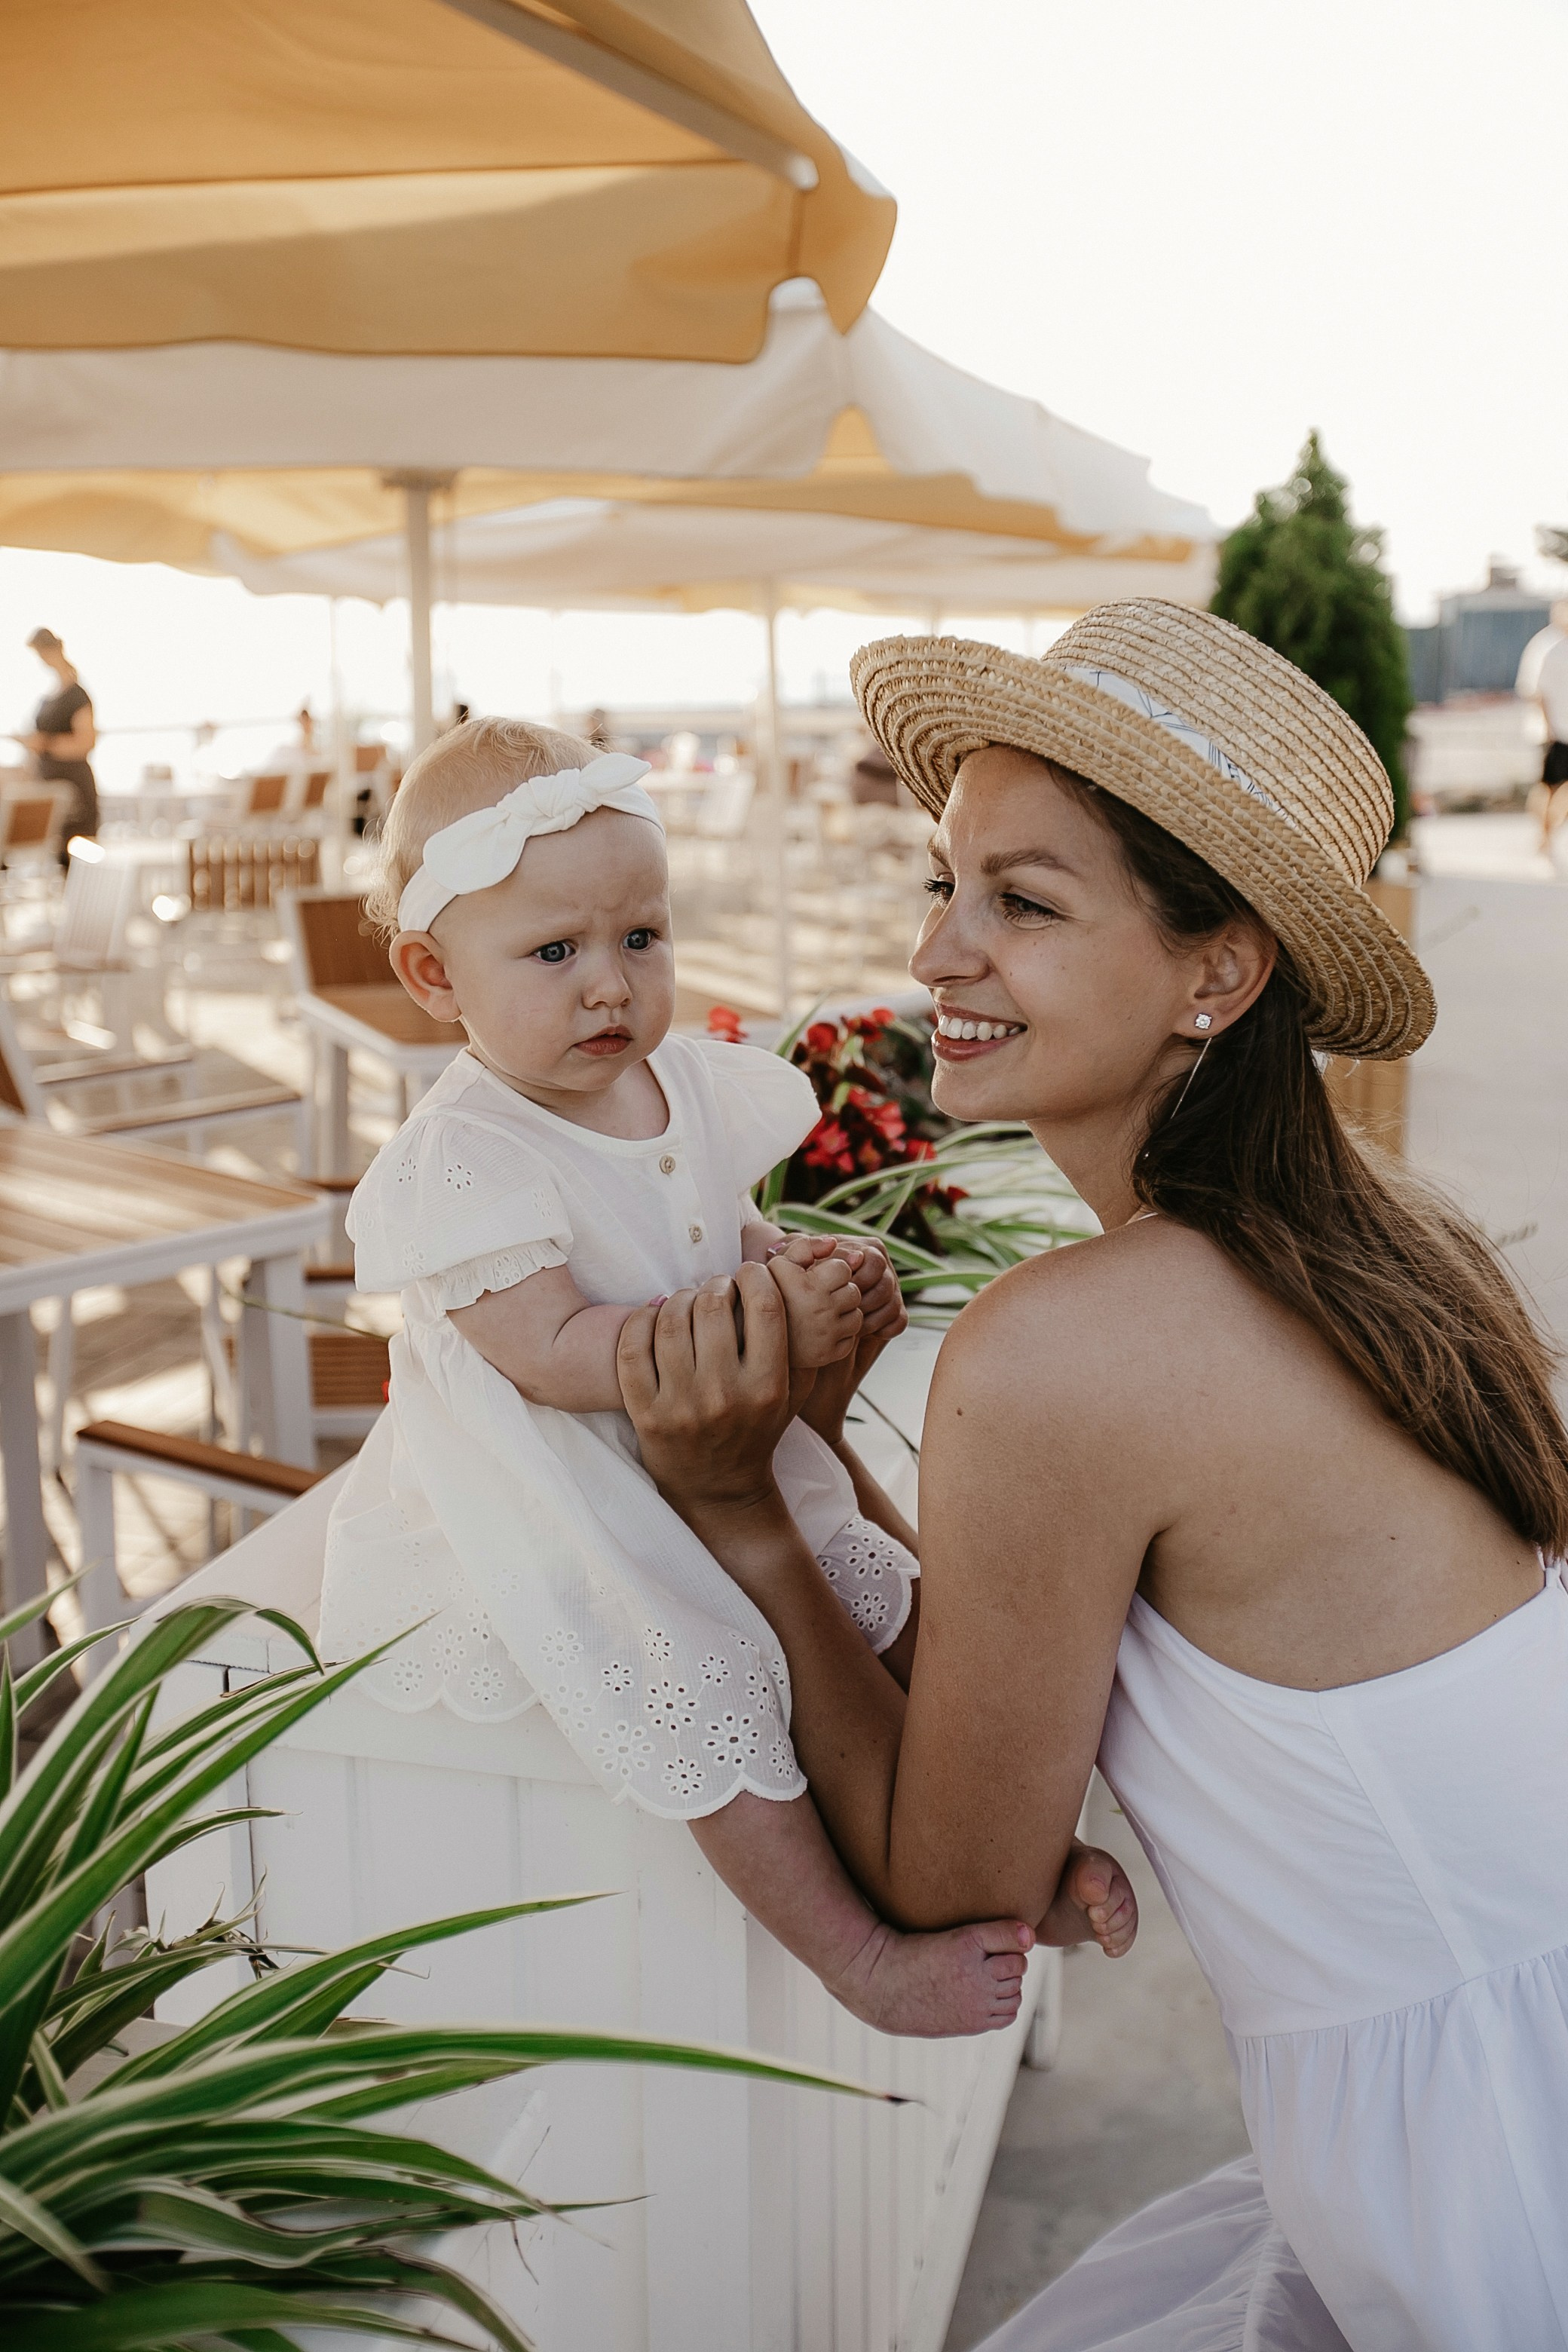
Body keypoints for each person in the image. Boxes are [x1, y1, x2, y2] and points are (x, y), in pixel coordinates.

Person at [617, 602, 1568, 2350]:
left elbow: (945, 1879)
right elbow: (1043, 1653)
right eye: (948, 882)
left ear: (1219, 971)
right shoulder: (1386, 1241)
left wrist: (745, 1509)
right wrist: (822, 1450)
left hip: (1493, 2167)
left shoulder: (1077, 1345)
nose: (937, 953)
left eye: (1024, 902)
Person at [315, 715, 1135, 2040]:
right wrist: (731, 1313)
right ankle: (851, 1953)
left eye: (641, 938)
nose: (610, 988)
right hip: (573, 1493)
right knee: (697, 1687)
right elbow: (552, 1350)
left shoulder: (674, 1085)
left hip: (720, 1430)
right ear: (433, 975)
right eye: (555, 953)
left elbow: (712, 1222)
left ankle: (1013, 1854)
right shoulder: (465, 1155)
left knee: (890, 1586)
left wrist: (786, 1269)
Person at [18, 627, 98, 847]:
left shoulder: (77, 696)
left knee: (72, 854)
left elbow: (85, 744)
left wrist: (45, 744)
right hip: (47, 788)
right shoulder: (50, 696)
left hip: (73, 792)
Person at [1517, 599, 1568, 855]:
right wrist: (1549, 728)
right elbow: (1534, 691)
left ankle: (1551, 830)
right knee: (1549, 787)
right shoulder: (1546, 645)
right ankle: (1543, 837)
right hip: (1553, 733)